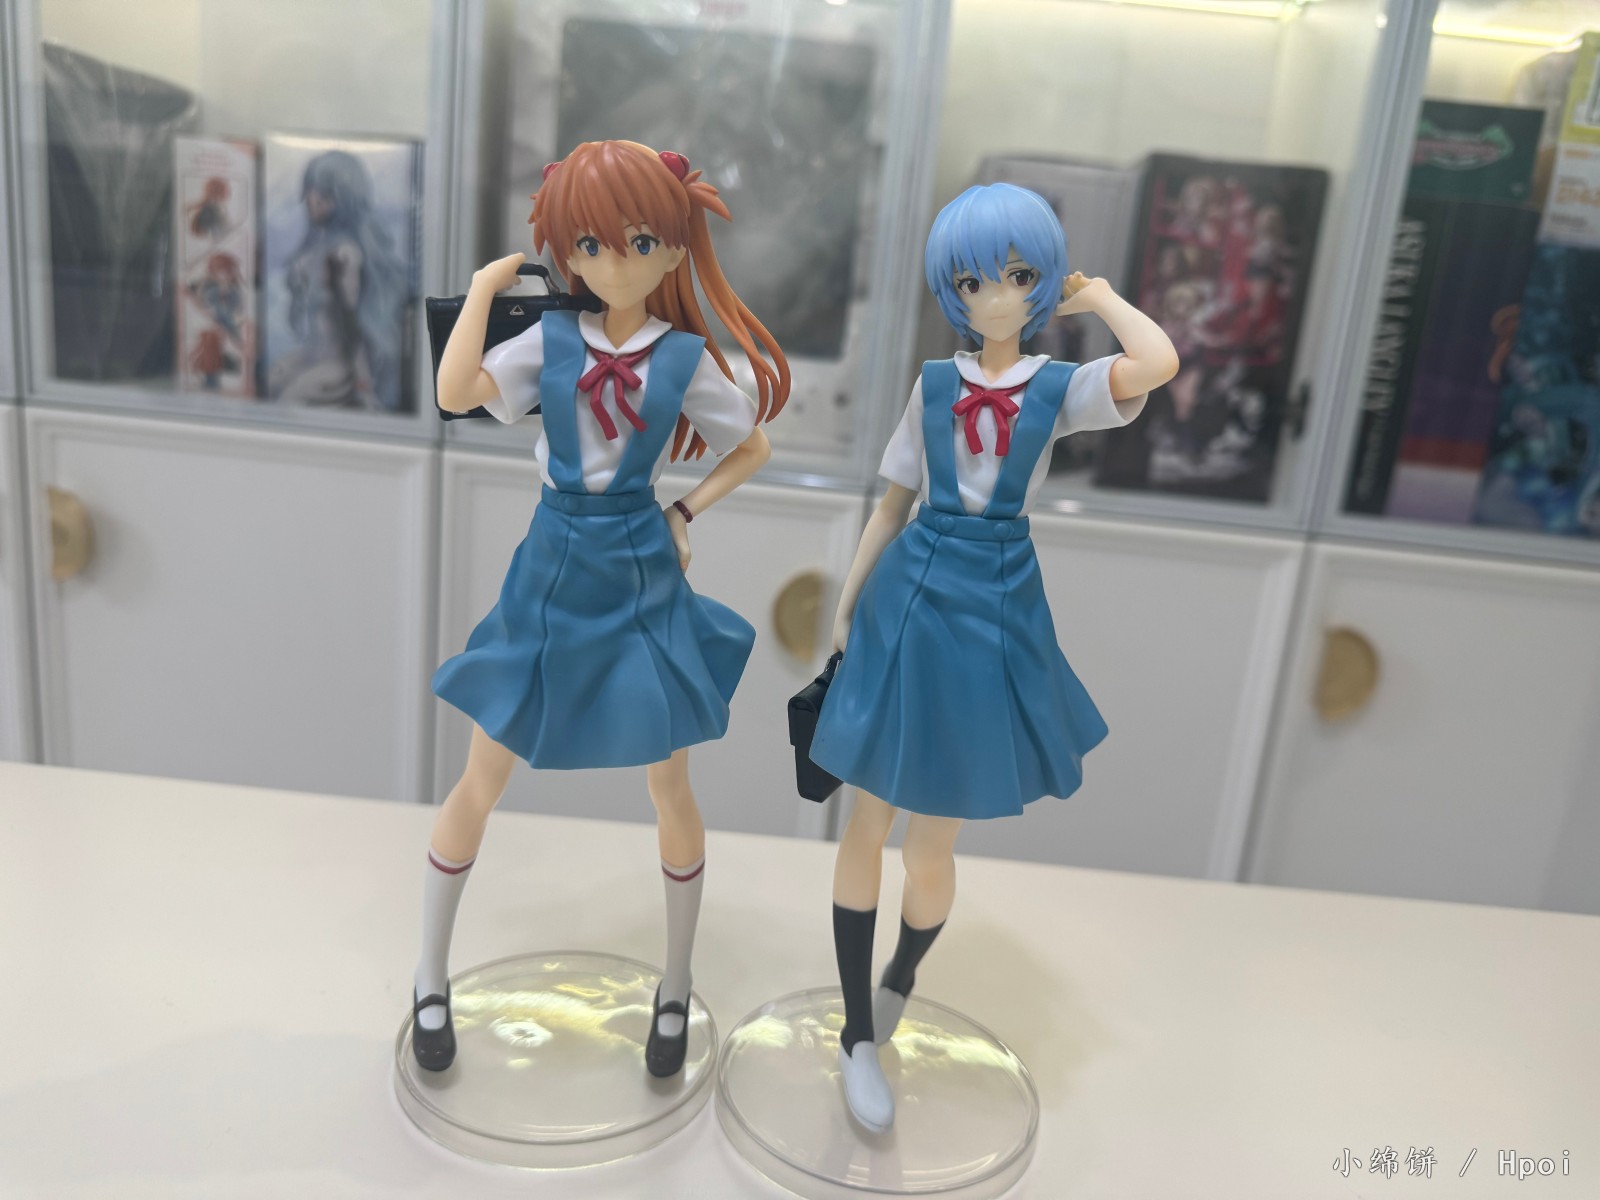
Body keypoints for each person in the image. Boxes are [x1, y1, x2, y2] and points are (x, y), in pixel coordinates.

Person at [415, 140, 789, 1078]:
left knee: (670, 781)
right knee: (482, 771)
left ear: (673, 249)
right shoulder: (547, 343)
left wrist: (683, 512)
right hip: (550, 567)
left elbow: (752, 447)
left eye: (639, 242)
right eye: (590, 244)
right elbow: (453, 392)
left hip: (637, 566)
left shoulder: (685, 357)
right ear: (567, 251)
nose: (615, 262)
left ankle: (676, 982)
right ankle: (427, 975)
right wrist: (482, 290)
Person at [809, 182, 1178, 1132]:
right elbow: (891, 504)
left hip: (996, 602)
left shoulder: (1059, 387)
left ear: (1042, 281)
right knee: (865, 823)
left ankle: (899, 977)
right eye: (975, 281)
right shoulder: (933, 384)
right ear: (954, 291)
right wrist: (847, 606)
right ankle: (855, 1031)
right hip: (908, 596)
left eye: (1017, 275)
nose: (998, 296)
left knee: (932, 841)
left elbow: (1158, 361)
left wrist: (1098, 299)